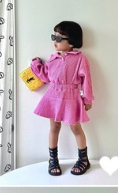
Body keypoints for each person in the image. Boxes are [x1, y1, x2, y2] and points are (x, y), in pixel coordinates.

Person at [31, 21, 94, 176]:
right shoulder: (53, 58)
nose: (55, 42)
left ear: (71, 41)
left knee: (76, 128)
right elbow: (45, 76)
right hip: (53, 96)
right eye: (54, 37)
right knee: (54, 128)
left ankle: (83, 159)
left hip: (71, 97)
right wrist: (36, 65)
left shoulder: (80, 58)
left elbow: (86, 80)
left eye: (59, 38)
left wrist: (87, 99)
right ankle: (53, 160)